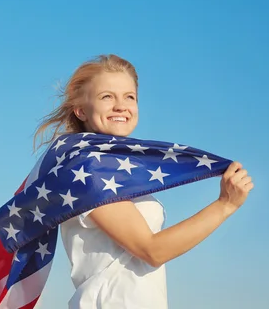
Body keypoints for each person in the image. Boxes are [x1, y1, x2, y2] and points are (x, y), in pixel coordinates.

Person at [32, 54, 254, 309]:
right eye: (107, 97)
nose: (121, 106)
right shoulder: (88, 170)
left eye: (129, 97)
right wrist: (225, 205)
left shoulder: (114, 171)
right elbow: (152, 250)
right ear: (80, 110)